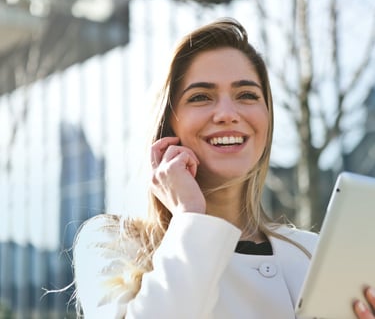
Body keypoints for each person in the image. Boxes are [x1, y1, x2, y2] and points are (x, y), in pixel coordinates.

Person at [73, 18, 375, 318]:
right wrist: (190, 215)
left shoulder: (314, 254)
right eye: (201, 97)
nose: (228, 114)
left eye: (247, 95)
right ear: (167, 124)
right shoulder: (113, 244)